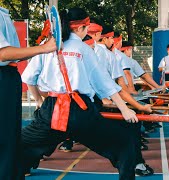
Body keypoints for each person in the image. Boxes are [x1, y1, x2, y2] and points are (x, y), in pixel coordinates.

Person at [20, 8, 139, 179]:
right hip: (80, 112)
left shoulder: (46, 45)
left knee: (17, 144)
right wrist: (124, 109)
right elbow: (104, 83)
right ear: (80, 28)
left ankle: (20, 169)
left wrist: (39, 100)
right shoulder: (84, 49)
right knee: (125, 144)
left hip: (51, 111)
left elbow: (29, 78)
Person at [0, 6, 57, 180]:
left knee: (11, 137)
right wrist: (43, 48)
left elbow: (14, 55)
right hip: (3, 78)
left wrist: (42, 46)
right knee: (5, 138)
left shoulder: (4, 13)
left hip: (9, 77)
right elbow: (2, 54)